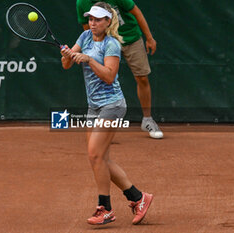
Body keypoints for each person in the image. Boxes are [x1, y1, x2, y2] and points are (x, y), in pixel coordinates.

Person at [61, 2, 153, 225]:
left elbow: (110, 77)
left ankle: (105, 209)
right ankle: (138, 197)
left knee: (95, 155)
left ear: (107, 22)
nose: (92, 23)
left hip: (112, 105)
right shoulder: (84, 38)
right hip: (93, 106)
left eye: (98, 19)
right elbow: (66, 65)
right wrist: (66, 54)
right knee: (99, 159)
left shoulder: (112, 45)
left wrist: (90, 59)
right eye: (90, 19)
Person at [76, 0, 163, 139]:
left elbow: (136, 12)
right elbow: (88, 28)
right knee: (104, 78)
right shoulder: (81, 3)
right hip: (103, 42)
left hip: (130, 38)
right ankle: (105, 130)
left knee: (142, 77)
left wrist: (149, 37)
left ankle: (147, 119)